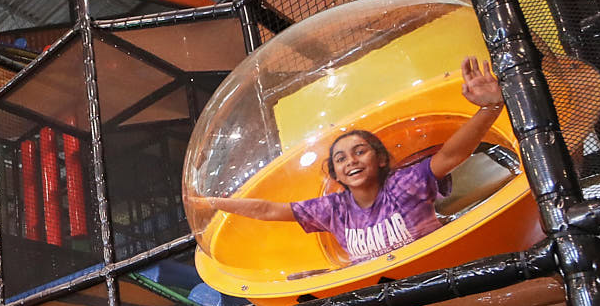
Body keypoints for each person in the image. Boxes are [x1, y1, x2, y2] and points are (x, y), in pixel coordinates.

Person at [188, 57, 505, 264]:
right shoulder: (334, 210)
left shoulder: (406, 184)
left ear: (380, 160)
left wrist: (489, 108)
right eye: (340, 158)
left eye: (360, 151)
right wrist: (213, 203)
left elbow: (452, 154)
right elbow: (267, 209)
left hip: (439, 272)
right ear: (336, 174)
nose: (350, 161)